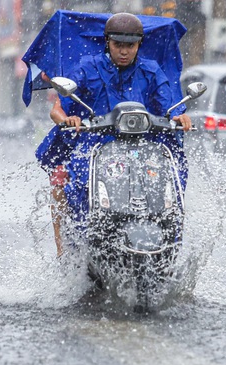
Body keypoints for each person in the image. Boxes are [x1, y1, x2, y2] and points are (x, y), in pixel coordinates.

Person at [35, 13, 192, 257]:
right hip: (94, 144)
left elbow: (169, 106)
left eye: (130, 45)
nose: (124, 51)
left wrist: (178, 118)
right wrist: (68, 119)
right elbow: (57, 110)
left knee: (173, 171)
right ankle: (68, 248)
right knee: (66, 178)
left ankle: (171, 239)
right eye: (118, 45)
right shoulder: (88, 67)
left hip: (144, 145)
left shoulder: (151, 70)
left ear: (139, 44)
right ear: (107, 41)